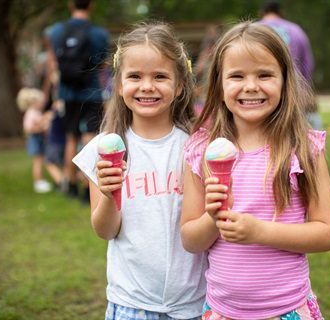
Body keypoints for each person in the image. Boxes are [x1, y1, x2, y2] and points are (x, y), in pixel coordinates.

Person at [181, 21, 330, 319]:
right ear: (219, 84)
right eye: (237, 76)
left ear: (284, 80)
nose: (251, 86)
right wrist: (212, 218)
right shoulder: (200, 150)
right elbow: (191, 240)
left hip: (286, 310)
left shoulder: (302, 148)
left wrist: (261, 231)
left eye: (264, 75)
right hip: (222, 312)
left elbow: (327, 233)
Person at [72, 22, 207, 319]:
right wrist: (109, 194)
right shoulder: (102, 150)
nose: (147, 86)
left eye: (160, 76)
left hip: (194, 304)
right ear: (119, 85)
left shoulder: (197, 148)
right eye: (135, 76)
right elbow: (105, 230)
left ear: (180, 84)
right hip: (130, 303)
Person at [47, 0, 109, 202]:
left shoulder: (56, 31)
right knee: (90, 139)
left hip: (68, 93)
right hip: (91, 93)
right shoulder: (99, 34)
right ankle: (88, 189)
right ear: (91, 5)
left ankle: (71, 185)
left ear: (70, 4)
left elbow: (53, 63)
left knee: (71, 138)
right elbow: (102, 67)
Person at [259, 0, 322, 130]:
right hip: (294, 92)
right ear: (281, 12)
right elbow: (308, 64)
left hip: (261, 92)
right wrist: (305, 89)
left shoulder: (254, 30)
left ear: (262, 12)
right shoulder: (297, 30)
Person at [17, 88, 54, 193]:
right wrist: (41, 127)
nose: (42, 104)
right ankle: (38, 182)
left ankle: (40, 181)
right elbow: (28, 128)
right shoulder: (30, 114)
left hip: (40, 139)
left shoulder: (36, 113)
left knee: (40, 160)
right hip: (35, 140)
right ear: (33, 102)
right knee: (38, 161)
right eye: (40, 102)